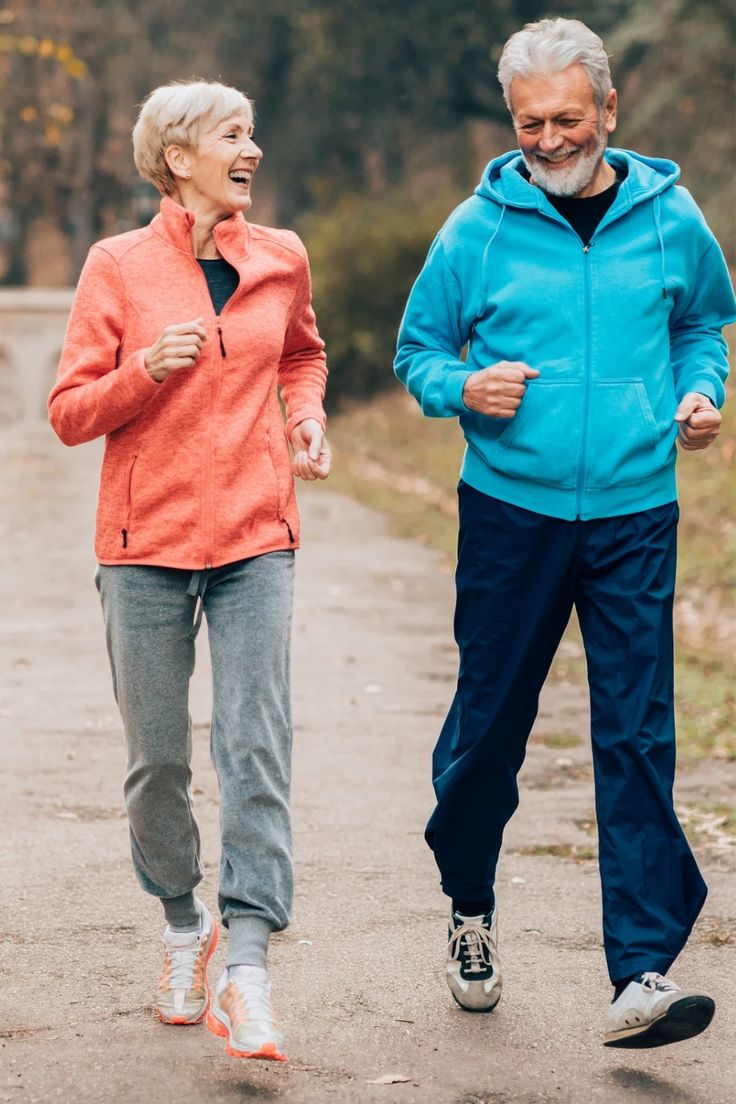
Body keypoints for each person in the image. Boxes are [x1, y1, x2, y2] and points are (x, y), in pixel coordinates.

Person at [395, 18, 735, 1047]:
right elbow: (419, 355)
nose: (546, 139)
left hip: (636, 507)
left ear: (609, 112)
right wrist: (466, 387)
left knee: (634, 733)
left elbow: (698, 326)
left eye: (566, 119)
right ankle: (469, 905)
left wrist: (699, 395)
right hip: (511, 512)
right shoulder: (476, 229)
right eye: (529, 122)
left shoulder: (671, 216)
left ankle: (638, 969)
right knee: (490, 728)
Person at [49, 80, 330, 1063]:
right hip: (146, 547)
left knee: (255, 745)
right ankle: (184, 923)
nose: (251, 148)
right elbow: (70, 410)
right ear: (178, 158)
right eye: (231, 135)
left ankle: (247, 965)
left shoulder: (280, 256)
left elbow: (303, 356)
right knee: (157, 763)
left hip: (257, 534)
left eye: (253, 131)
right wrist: (143, 373)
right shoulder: (117, 267)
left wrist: (306, 416)